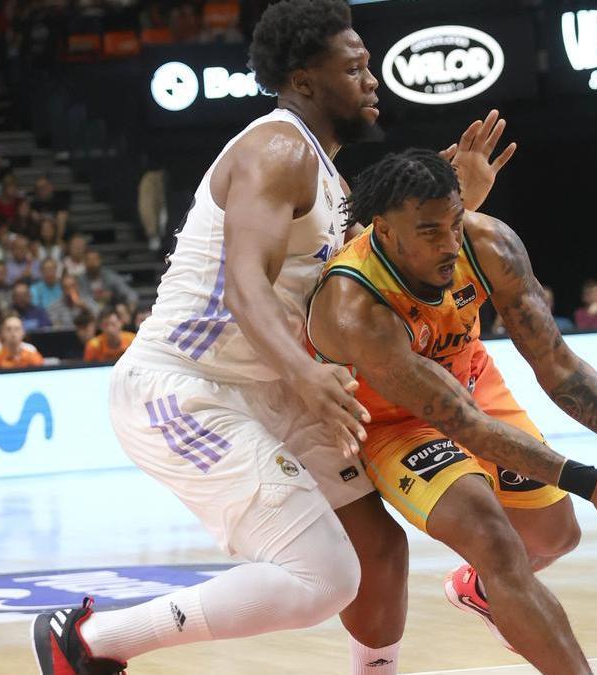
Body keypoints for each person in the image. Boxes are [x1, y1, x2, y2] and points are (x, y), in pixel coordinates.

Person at [32, 3, 514, 673]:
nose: (372, 79)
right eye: (354, 68)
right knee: (324, 576)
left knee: (378, 549)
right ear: (305, 80)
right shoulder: (277, 149)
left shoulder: (328, 176)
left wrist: (458, 198)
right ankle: (88, 639)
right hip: (184, 387)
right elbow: (244, 285)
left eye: (370, 66)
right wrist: (307, 372)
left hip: (270, 386)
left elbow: (381, 274)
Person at [305, 149, 597, 671]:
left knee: (557, 535)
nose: (449, 243)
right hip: (396, 423)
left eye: (455, 223)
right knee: (495, 539)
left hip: (473, 385)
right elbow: (462, 426)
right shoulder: (355, 305)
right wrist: (596, 483)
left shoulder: (489, 244)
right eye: (431, 232)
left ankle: (481, 591)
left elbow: (556, 362)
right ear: (385, 234)